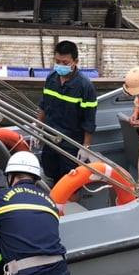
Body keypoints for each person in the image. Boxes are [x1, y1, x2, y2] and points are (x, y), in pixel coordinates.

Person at [38, 40, 98, 183]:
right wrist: (37, 127)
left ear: (75, 61)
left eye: (65, 63)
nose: (60, 66)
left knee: (70, 184)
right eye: (57, 61)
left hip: (71, 144)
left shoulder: (85, 86)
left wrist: (86, 148)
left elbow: (89, 121)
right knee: (49, 175)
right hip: (50, 138)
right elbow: (43, 106)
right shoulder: (51, 79)